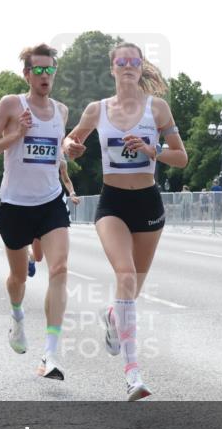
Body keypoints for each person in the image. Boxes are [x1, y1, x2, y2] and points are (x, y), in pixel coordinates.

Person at [63, 42, 188, 401]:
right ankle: (133, 374)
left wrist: (153, 151)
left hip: (148, 202)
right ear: (113, 69)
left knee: (131, 290)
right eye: (123, 61)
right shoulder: (97, 109)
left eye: (135, 61)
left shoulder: (157, 108)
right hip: (112, 203)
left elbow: (182, 158)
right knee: (126, 275)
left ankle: (114, 316)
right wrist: (73, 148)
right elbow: (71, 141)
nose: (129, 66)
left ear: (141, 67)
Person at [0, 43, 71, 381]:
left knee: (59, 268)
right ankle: (17, 316)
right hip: (15, 206)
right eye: (39, 70)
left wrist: (69, 149)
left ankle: (51, 354)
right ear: (27, 74)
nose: (45, 76)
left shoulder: (61, 111)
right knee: (18, 278)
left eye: (50, 70)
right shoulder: (11, 105)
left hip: (50, 202)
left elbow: (57, 153)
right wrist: (16, 134)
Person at [28, 159, 80, 277]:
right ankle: (30, 258)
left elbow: (66, 180)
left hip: (54, 206)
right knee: (38, 256)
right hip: (33, 205)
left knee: (59, 264)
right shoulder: (33, 157)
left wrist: (72, 193)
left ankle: (57, 272)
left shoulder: (61, 162)